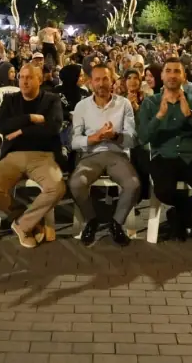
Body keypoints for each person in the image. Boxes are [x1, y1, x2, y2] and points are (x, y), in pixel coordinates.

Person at [0, 63, 65, 248]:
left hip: (43, 155)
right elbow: (3, 127)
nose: (24, 81)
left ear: (40, 79)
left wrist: (21, 131)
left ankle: (22, 225)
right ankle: (26, 217)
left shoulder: (52, 100)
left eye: (29, 77)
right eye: (21, 77)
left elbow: (53, 128)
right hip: (13, 156)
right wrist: (30, 118)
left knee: (57, 188)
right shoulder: (11, 100)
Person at [138, 58, 192, 241]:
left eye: (177, 71)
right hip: (164, 155)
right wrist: (159, 116)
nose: (172, 75)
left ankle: (177, 216)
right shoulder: (151, 103)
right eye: (169, 71)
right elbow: (142, 137)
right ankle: (182, 218)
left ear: (184, 76)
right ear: (162, 76)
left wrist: (190, 115)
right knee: (163, 191)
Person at [69, 64, 139, 247]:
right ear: (90, 83)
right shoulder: (81, 106)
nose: (101, 83)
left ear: (112, 81)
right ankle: (91, 220)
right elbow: (74, 142)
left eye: (105, 79)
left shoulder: (124, 104)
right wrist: (95, 137)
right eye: (97, 79)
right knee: (76, 183)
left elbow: (131, 140)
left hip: (117, 154)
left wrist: (114, 136)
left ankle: (116, 223)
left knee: (133, 185)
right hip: (90, 155)